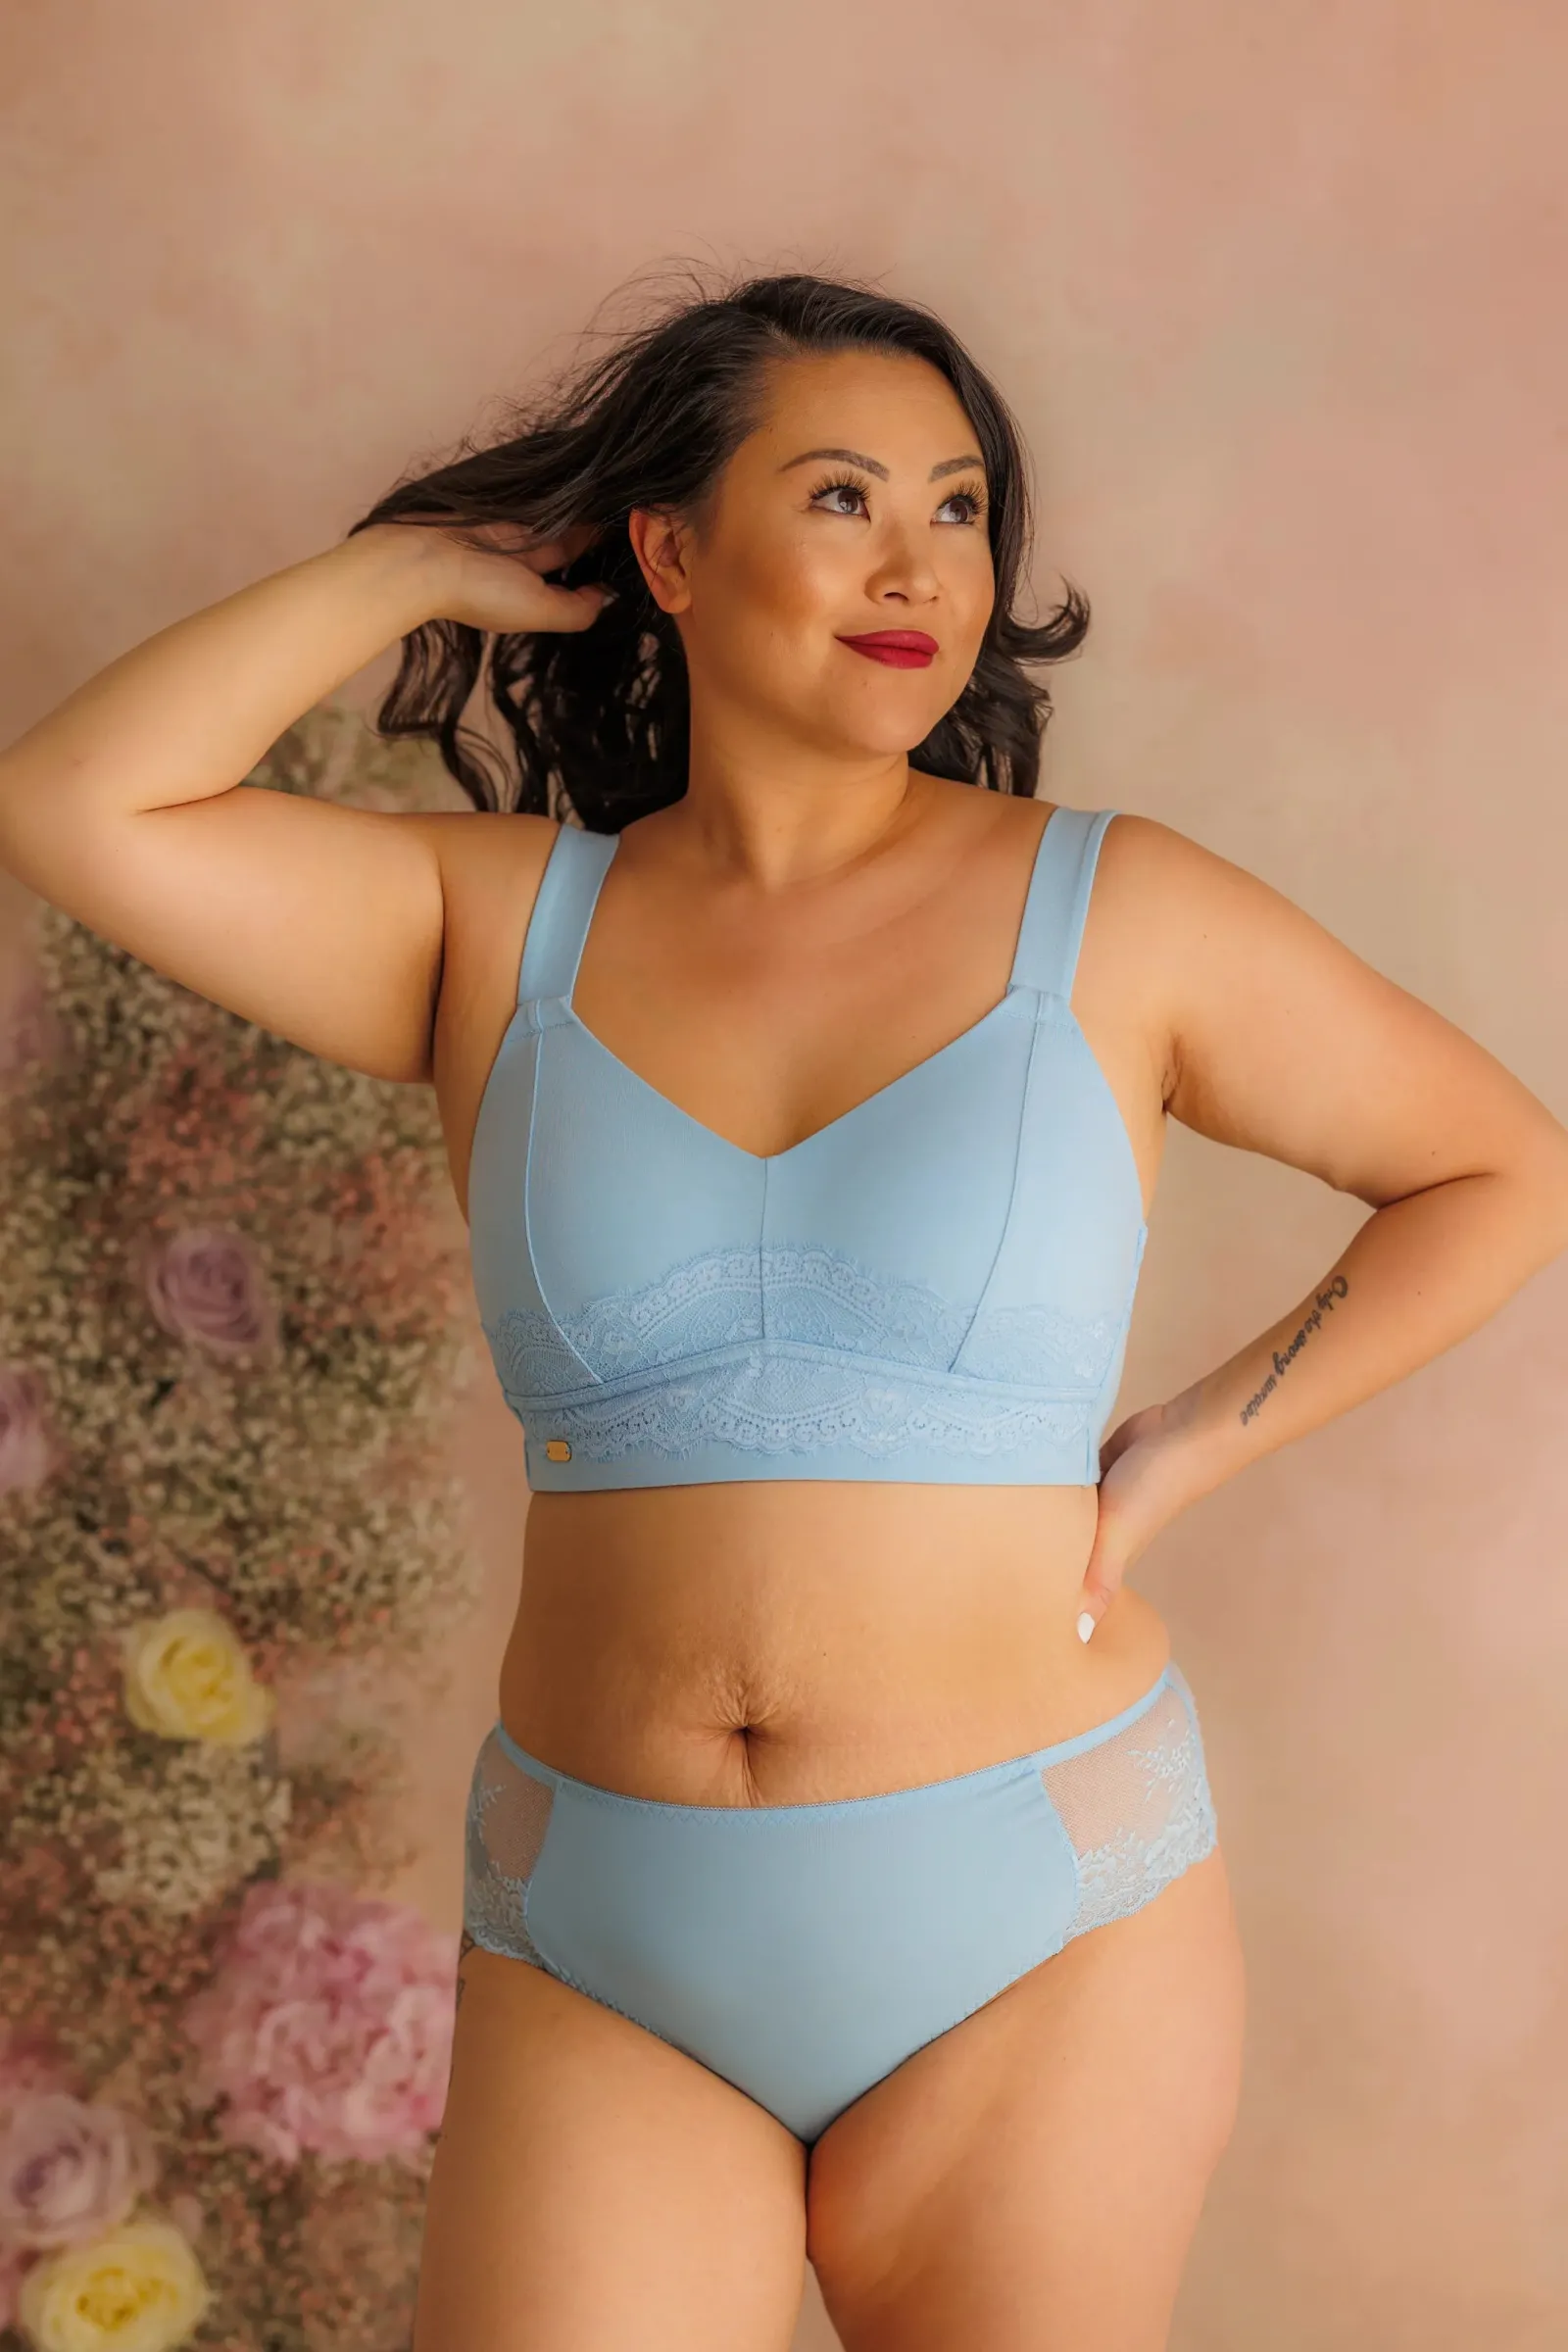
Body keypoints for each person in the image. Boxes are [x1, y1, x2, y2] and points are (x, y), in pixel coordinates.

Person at [2, 268, 1565, 2352]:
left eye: (956, 506)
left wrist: (1190, 1445)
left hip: (1035, 1928)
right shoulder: (495, 925)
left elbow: (1499, 1170)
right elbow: (75, 803)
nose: (919, 566)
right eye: (841, 498)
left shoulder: (1117, 912)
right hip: (603, 1942)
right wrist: (410, 570)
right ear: (665, 552)